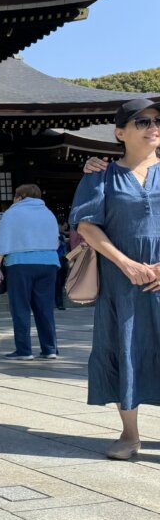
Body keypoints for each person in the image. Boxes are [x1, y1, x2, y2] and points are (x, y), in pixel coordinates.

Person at [70, 98, 160, 460]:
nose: (153, 126)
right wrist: (127, 264)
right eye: (142, 121)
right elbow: (88, 226)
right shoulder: (100, 175)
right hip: (122, 281)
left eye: (156, 120)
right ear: (120, 132)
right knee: (126, 346)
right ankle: (130, 434)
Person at [0, 184, 60, 361]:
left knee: (20, 307)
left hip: (20, 264)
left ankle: (24, 350)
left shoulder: (11, 213)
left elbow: (2, 242)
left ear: (20, 196)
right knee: (45, 308)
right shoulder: (49, 213)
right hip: (49, 263)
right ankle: (50, 348)